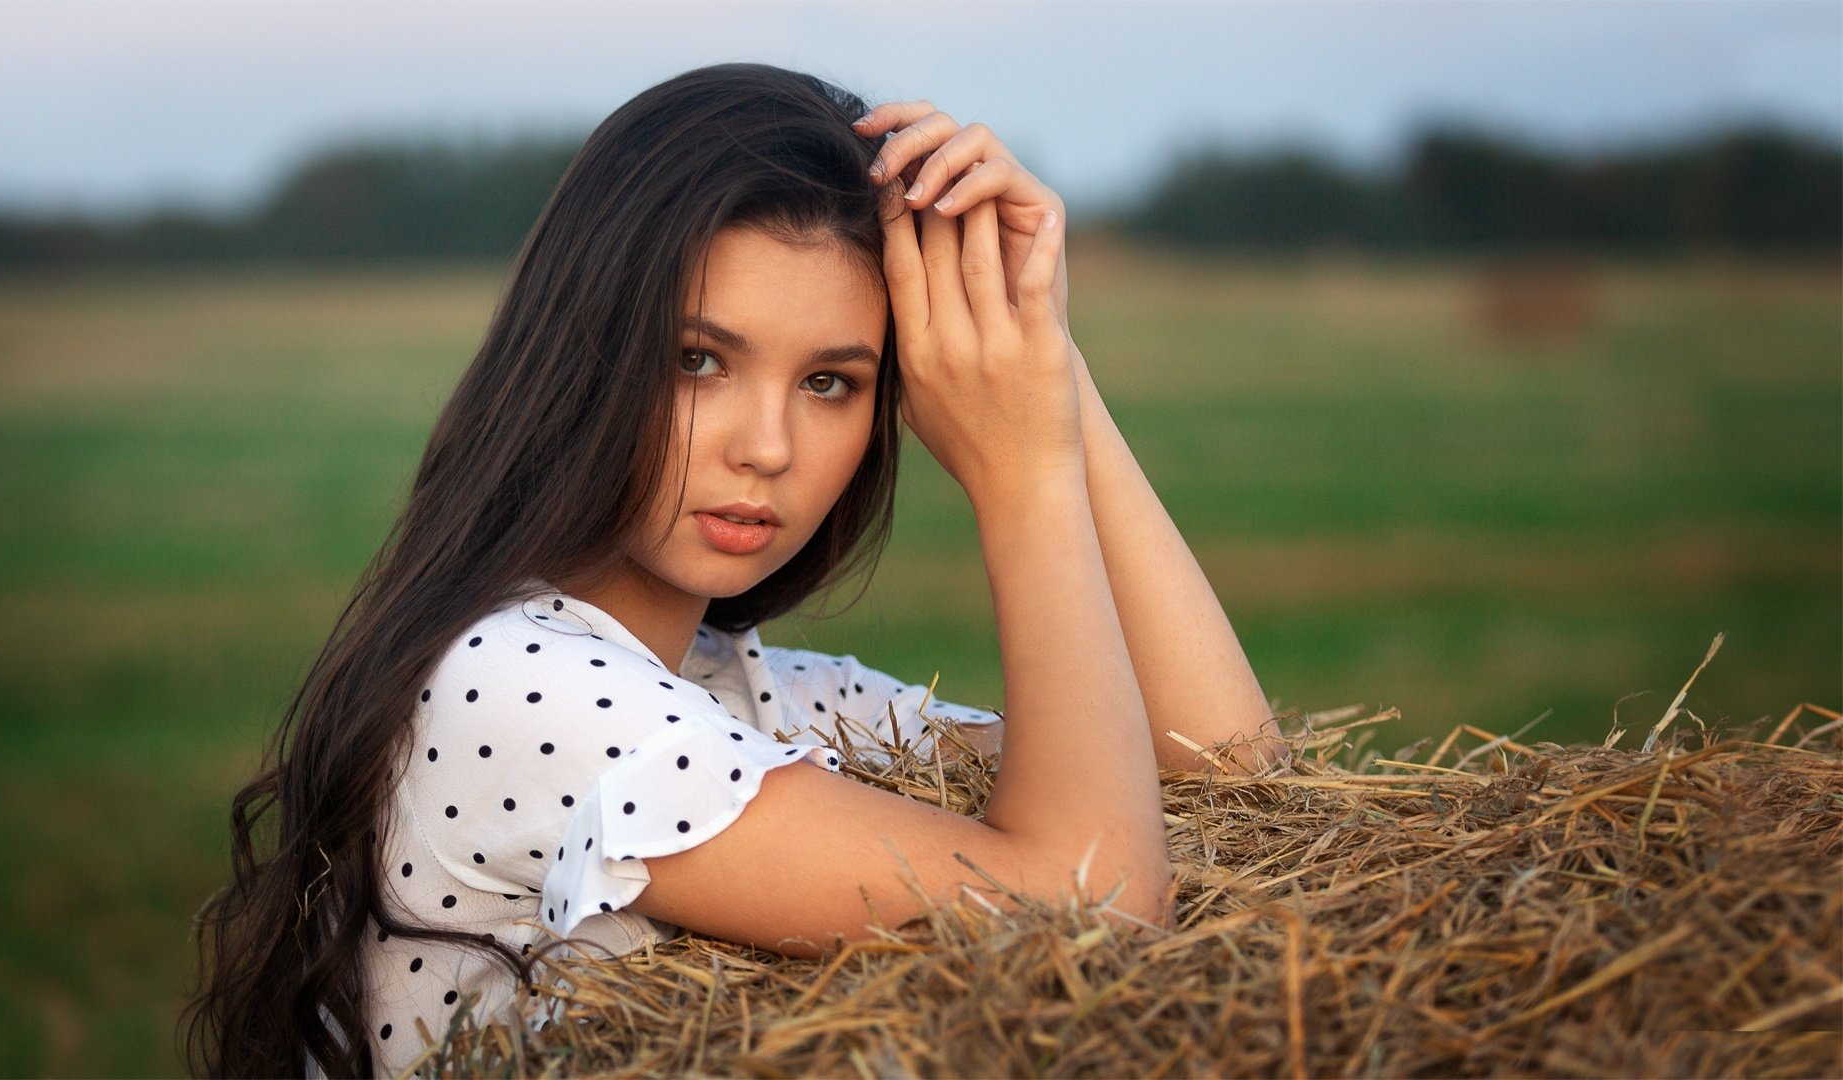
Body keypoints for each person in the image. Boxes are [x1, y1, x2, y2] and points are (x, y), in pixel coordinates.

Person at [182, 62, 1286, 1079]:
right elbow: (1097, 907)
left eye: (831, 382)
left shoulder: (745, 693)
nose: (767, 446)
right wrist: (1024, 478)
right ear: (584, 350)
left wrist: (1041, 361)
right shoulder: (515, 686)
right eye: (699, 360)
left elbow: (1223, 771)